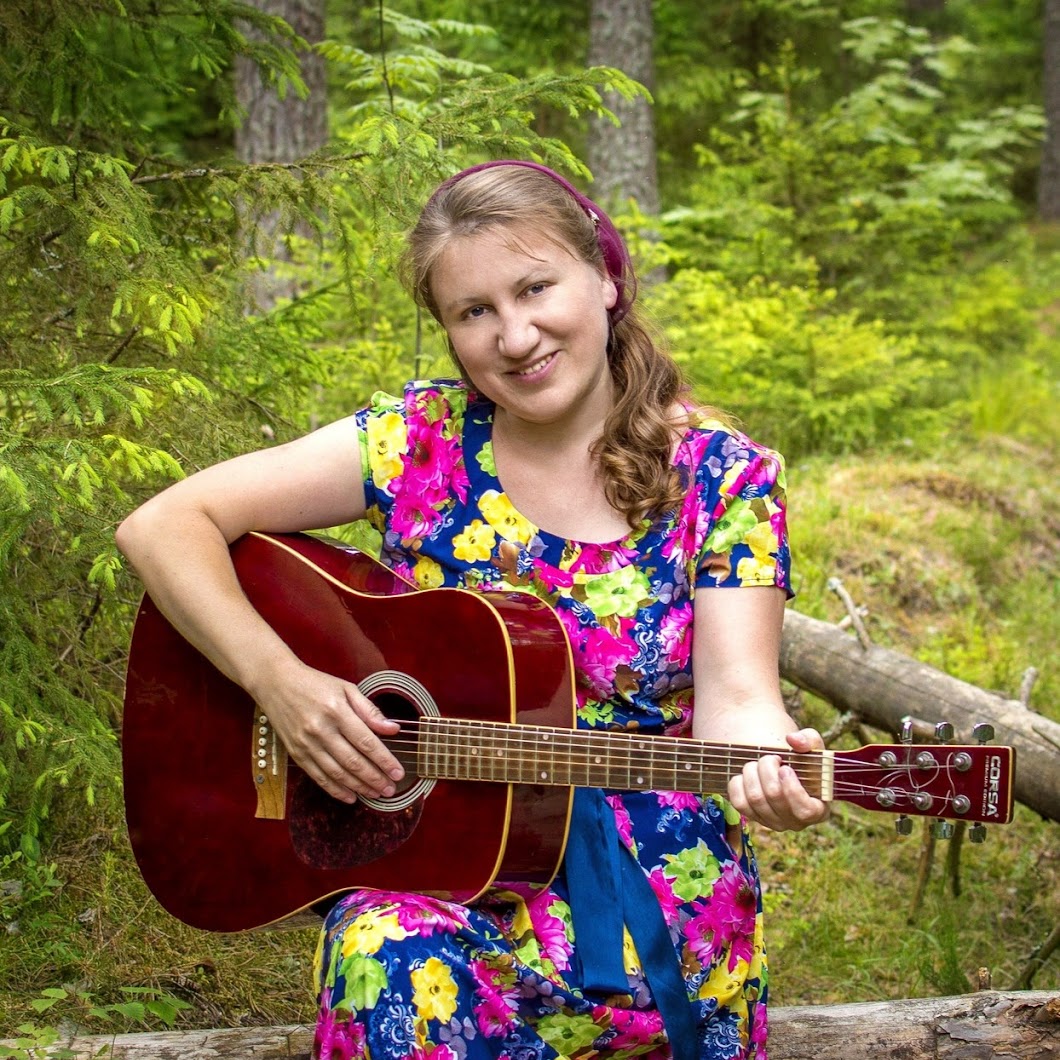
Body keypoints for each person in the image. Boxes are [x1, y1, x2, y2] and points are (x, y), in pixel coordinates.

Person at [116, 159, 829, 1060]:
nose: (515, 336)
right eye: (474, 311)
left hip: (652, 894)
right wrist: (283, 684)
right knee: (381, 949)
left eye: (536, 288)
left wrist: (771, 771)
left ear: (606, 278)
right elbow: (162, 526)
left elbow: (740, 700)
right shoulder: (418, 443)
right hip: (445, 865)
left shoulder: (722, 477)